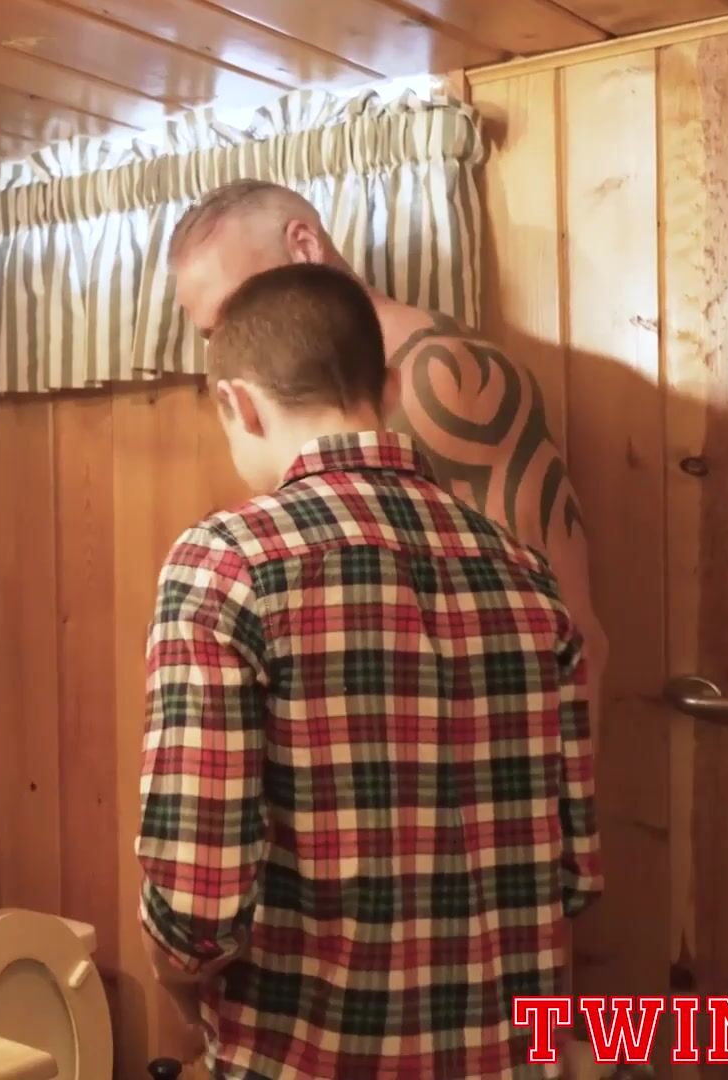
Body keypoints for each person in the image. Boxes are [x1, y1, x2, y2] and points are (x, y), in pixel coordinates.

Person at [136, 263, 601, 1079]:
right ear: (386, 390)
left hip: (307, 1058)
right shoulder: (526, 572)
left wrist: (180, 991)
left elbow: (195, 912)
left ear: (238, 404)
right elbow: (572, 874)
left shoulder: (227, 562)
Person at [168, 179, 608, 727]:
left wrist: (562, 787)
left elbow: (568, 636)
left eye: (235, 310)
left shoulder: (445, 379)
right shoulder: (280, 412)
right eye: (211, 334)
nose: (227, 347)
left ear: (304, 246)